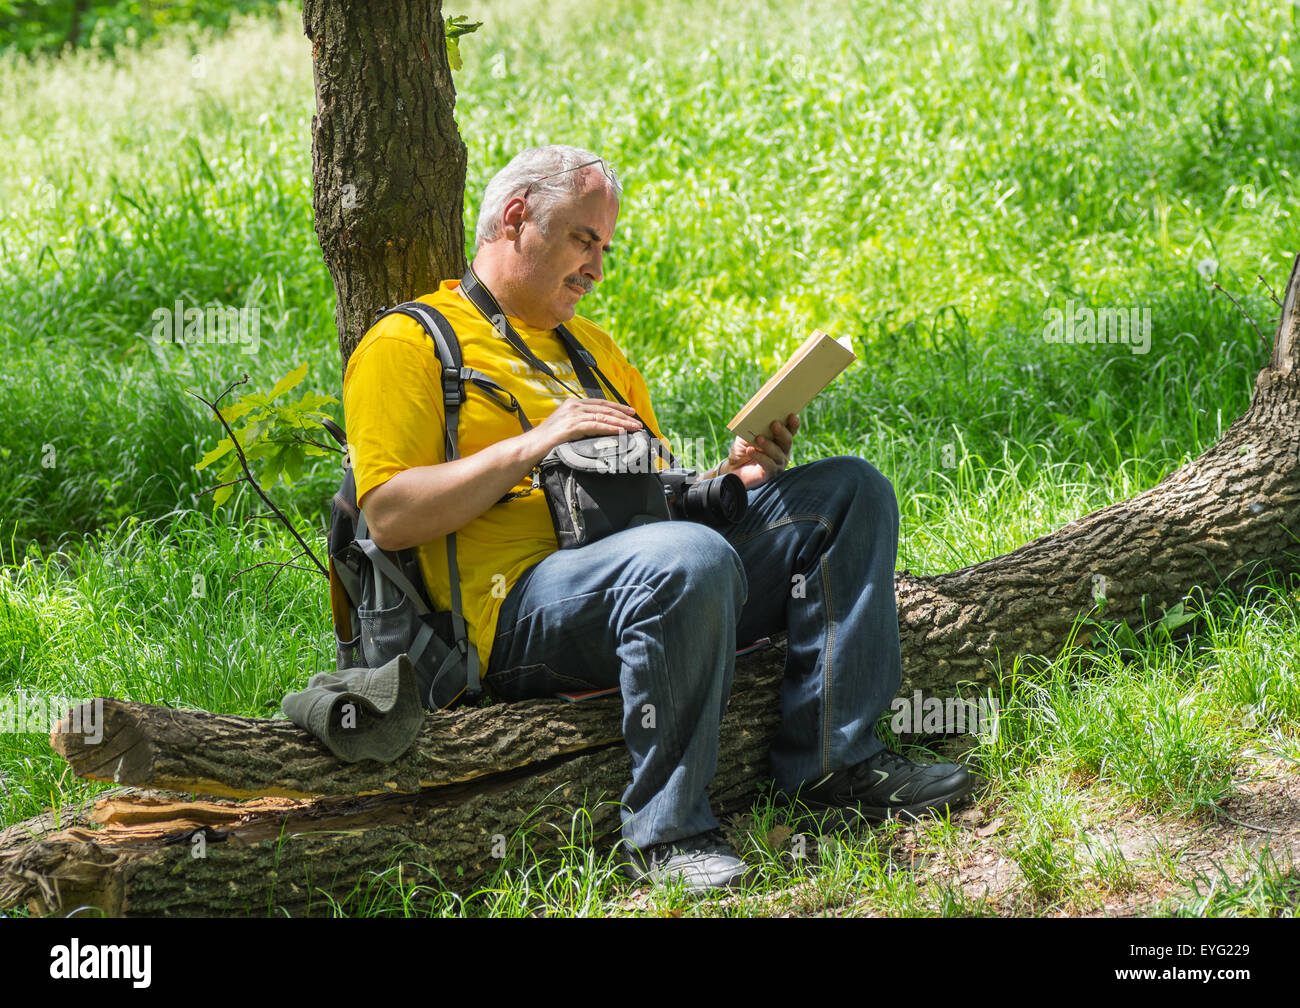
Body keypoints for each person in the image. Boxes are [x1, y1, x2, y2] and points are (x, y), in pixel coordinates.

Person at [342, 144, 977, 893]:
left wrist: (734, 479)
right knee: (684, 559)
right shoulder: (412, 342)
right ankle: (668, 835)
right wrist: (536, 442)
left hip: (645, 570)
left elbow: (653, 503)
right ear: (516, 218)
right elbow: (389, 516)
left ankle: (837, 764)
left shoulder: (597, 354)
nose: (596, 268)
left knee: (849, 493)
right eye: (583, 240)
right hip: (507, 617)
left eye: (604, 248)